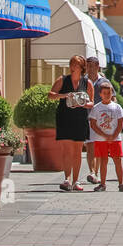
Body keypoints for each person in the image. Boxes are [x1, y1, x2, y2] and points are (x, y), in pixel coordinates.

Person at [49, 53, 94, 191]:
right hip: (64, 118)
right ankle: (67, 179)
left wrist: (83, 105)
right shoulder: (62, 80)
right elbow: (50, 95)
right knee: (66, 150)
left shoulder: (87, 82)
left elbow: (92, 103)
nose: (72, 67)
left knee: (77, 151)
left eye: (75, 64)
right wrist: (64, 95)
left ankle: (76, 181)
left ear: (82, 68)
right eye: (71, 64)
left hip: (80, 119)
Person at [89, 81, 123, 192]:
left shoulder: (117, 107)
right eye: (104, 93)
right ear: (100, 94)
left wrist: (114, 135)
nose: (107, 95)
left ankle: (121, 183)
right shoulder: (96, 108)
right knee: (103, 160)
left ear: (112, 93)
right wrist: (104, 135)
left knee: (117, 160)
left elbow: (120, 123)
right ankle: (102, 184)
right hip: (100, 139)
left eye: (109, 92)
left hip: (115, 139)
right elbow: (93, 124)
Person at [83, 54, 108, 185]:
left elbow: (111, 98)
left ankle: (97, 173)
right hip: (87, 118)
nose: (90, 69)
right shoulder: (82, 81)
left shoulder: (104, 82)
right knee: (90, 146)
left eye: (92, 66)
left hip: (101, 119)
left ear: (98, 67)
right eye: (88, 66)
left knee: (99, 147)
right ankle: (92, 172)